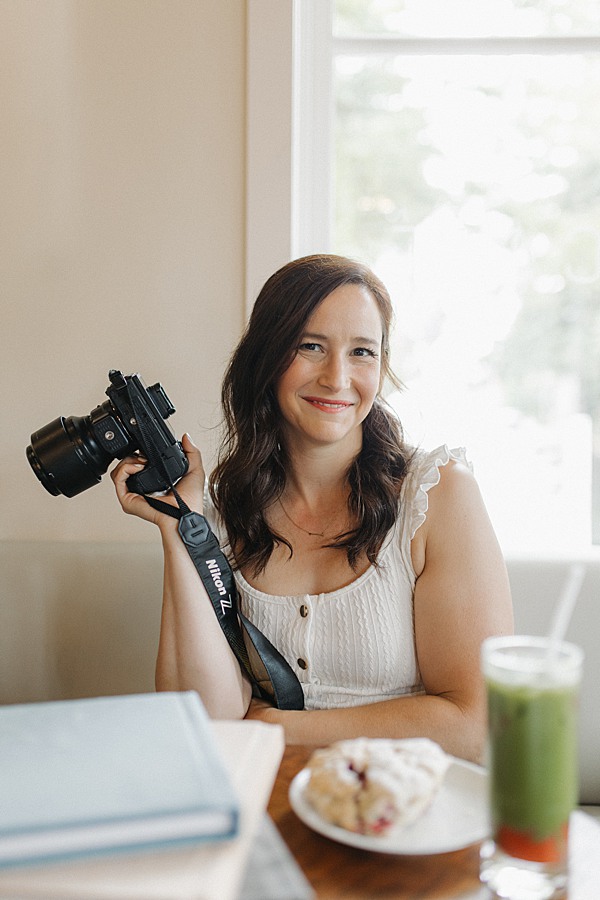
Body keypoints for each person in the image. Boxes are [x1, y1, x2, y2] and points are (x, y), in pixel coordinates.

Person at [111, 254, 513, 763]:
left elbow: (478, 726)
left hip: (407, 800)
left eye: (362, 352)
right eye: (311, 346)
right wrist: (179, 526)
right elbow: (203, 719)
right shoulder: (221, 515)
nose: (337, 377)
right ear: (267, 358)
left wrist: (279, 727)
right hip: (267, 796)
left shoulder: (436, 495)